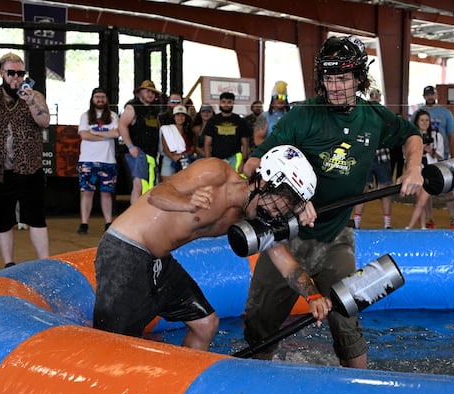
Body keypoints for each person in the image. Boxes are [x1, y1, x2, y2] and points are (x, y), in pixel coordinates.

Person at [242, 35, 423, 369]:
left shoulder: (373, 117)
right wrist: (294, 201)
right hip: (285, 236)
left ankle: (360, 391)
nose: (336, 87)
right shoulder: (302, 116)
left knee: (347, 323)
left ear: (359, 78)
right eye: (329, 78)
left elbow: (411, 135)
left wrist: (413, 167)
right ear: (320, 80)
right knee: (259, 324)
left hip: (337, 237)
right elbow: (253, 166)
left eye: (343, 78)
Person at [93, 145, 327, 351]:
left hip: (159, 262)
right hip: (124, 249)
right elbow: (157, 195)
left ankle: (180, 387)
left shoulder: (255, 219)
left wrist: (313, 295)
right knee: (114, 344)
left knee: (205, 324)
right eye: (283, 203)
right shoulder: (215, 173)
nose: (282, 213)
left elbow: (286, 264)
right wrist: (187, 203)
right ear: (265, 182)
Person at [0, 52, 50, 268]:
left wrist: (30, 102)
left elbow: (45, 121)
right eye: (11, 73)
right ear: (2, 73)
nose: (16, 78)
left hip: (30, 168)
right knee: (2, 220)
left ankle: (46, 264)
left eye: (20, 73)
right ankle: (9, 265)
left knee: (36, 217)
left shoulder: (34, 95)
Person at [413, 85, 454, 228]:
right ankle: (429, 219)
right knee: (426, 190)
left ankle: (453, 219)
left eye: (432, 94)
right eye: (427, 95)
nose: (430, 97)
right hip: (423, 159)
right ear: (424, 96)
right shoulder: (418, 113)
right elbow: (411, 134)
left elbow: (452, 136)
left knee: (448, 189)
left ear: (436, 95)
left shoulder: (445, 113)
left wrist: (453, 156)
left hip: (442, 156)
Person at [76, 87, 120, 235]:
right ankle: (84, 223)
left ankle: (108, 222)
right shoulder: (85, 116)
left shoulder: (113, 116)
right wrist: (105, 136)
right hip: (87, 160)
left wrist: (94, 132)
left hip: (108, 160)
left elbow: (116, 133)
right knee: (87, 192)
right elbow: (84, 135)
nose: (100, 99)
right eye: (97, 97)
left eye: (102, 97)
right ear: (92, 99)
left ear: (106, 99)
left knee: (106, 193)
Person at [351, 87, 393, 229]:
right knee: (362, 190)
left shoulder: (386, 114)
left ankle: (387, 224)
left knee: (385, 189)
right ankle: (356, 223)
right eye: (372, 96)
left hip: (381, 155)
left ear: (380, 99)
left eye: (376, 96)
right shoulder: (362, 114)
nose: (374, 98)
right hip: (366, 156)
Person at [118, 79, 161, 204]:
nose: (150, 94)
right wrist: (130, 146)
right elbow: (122, 125)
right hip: (139, 152)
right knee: (138, 185)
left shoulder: (154, 110)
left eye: (152, 92)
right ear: (140, 92)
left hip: (151, 153)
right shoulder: (132, 107)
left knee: (149, 186)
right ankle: (134, 218)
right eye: (147, 91)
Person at [406, 110, 445, 229]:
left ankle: (410, 226)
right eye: (422, 120)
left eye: (427, 120)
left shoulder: (437, 136)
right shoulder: (412, 136)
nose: (425, 122)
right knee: (419, 201)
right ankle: (423, 226)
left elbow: (441, 156)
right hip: (417, 170)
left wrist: (430, 150)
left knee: (421, 202)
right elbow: (407, 155)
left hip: (430, 172)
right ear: (417, 122)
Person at [203, 91, 251, 172]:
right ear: (220, 103)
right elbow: (207, 143)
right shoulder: (212, 121)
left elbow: (245, 144)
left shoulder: (240, 121)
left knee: (235, 183)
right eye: (223, 102)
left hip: (235, 159)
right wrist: (208, 161)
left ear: (233, 103)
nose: (226, 104)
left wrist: (243, 162)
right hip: (216, 159)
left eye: (229, 102)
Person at [159, 105, 190, 182]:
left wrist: (183, 156)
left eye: (182, 115)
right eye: (178, 115)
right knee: (167, 184)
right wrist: (173, 157)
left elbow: (192, 147)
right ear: (174, 117)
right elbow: (165, 148)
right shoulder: (167, 129)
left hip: (184, 159)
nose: (180, 117)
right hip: (169, 158)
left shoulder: (189, 131)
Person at [253, 81, 290, 147]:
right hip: (270, 152)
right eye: (277, 97)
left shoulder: (291, 116)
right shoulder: (264, 116)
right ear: (272, 99)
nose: (280, 100)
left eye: (283, 97)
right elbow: (258, 140)